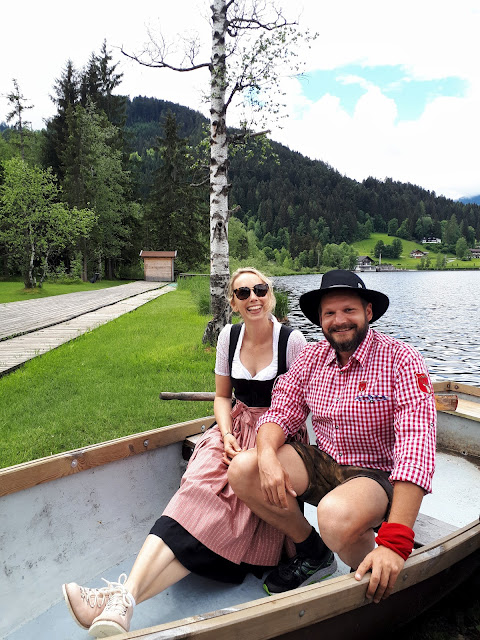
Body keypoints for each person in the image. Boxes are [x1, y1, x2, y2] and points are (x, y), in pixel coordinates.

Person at [62, 267, 314, 638]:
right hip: (236, 427)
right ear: (233, 303)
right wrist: (226, 435)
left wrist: (265, 446)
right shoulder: (229, 337)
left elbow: (302, 406)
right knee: (196, 489)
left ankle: (117, 599)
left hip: (279, 435)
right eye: (242, 293)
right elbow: (222, 398)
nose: (253, 298)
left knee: (229, 506)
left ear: (270, 294)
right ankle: (124, 601)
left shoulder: (291, 342)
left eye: (259, 289)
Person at [228, 269, 436, 603]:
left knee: (334, 515)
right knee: (243, 469)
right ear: (320, 320)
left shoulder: (402, 360)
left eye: (349, 310)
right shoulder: (311, 358)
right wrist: (266, 454)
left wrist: (395, 542)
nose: (339, 320)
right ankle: (313, 553)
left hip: (376, 475)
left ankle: (380, 572)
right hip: (324, 463)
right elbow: (280, 411)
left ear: (368, 312)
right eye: (329, 313)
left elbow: (417, 448)